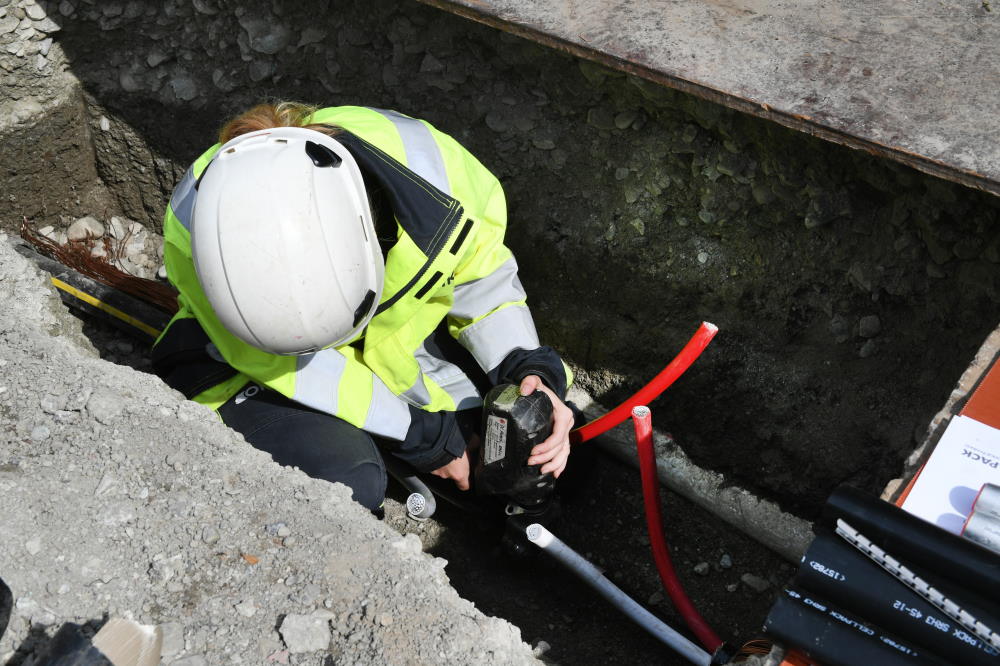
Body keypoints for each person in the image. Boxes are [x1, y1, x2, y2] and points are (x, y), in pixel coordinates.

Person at [151, 102, 575, 513]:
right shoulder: (201, 233)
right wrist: (420, 435)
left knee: (525, 442)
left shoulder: (435, 173)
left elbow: (482, 277)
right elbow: (291, 364)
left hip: (387, 336)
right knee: (350, 482)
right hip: (260, 366)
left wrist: (527, 368)